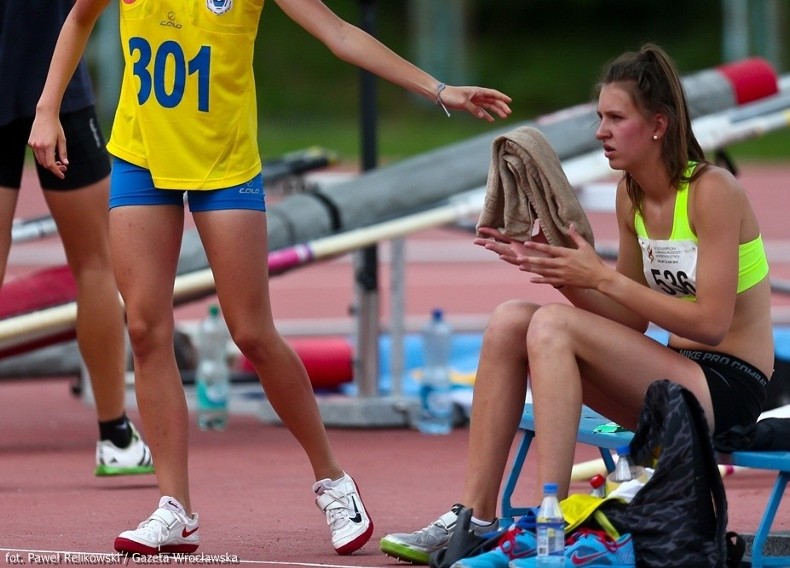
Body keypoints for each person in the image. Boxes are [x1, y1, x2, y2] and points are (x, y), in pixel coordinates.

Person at [29, 0, 512, 557]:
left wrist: (438, 89)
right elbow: (78, 17)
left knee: (251, 331)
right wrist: (47, 110)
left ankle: (332, 479)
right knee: (143, 327)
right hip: (141, 156)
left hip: (224, 164)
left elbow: (339, 34)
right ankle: (175, 508)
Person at [380, 42, 773, 563]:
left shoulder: (712, 190)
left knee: (553, 328)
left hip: (726, 387)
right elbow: (631, 320)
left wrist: (601, 280)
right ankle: (475, 518)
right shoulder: (631, 193)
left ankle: (552, 522)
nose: (600, 131)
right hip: (670, 382)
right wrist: (554, 267)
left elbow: (710, 324)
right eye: (599, 117)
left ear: (658, 124)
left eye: (615, 118)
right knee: (511, 320)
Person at [0, 1, 154, 478]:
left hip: (56, 82)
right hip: (56, 82)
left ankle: (116, 433)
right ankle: (115, 434)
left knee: (97, 263)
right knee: (96, 264)